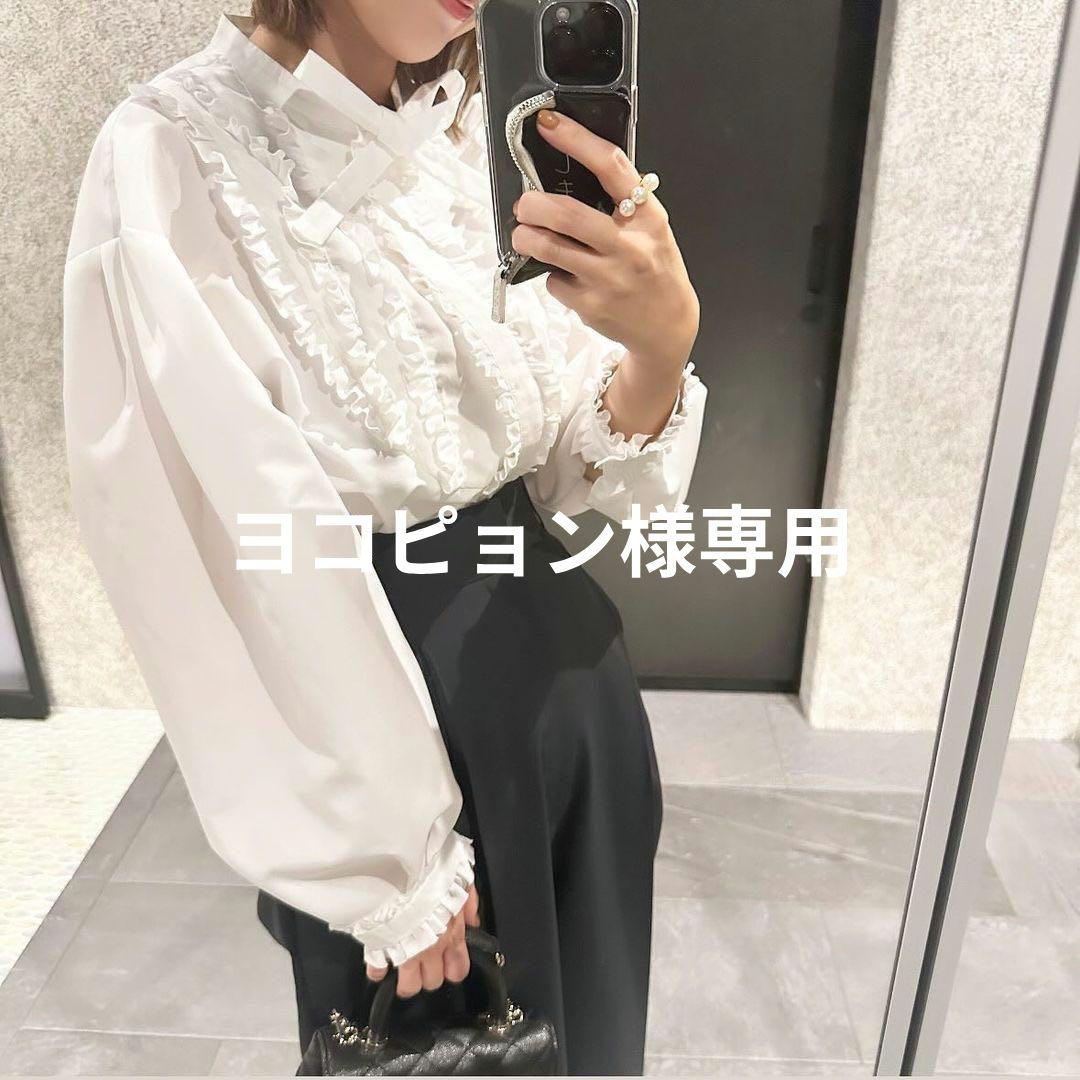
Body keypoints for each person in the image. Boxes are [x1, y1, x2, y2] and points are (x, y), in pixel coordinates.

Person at [62, 1, 707, 1072]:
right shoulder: (169, 154)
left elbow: (561, 460)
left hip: (574, 688)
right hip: (399, 733)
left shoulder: (462, 135)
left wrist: (660, 347)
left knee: (596, 1036)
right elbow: (204, 550)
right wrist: (389, 863)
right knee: (442, 1053)